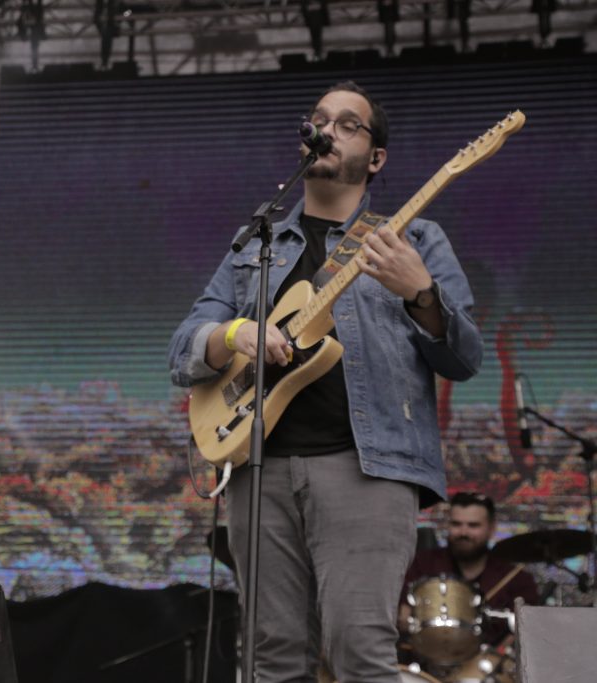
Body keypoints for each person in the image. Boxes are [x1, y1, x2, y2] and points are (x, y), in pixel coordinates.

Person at [168, 81, 483, 682]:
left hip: (367, 468)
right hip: (259, 466)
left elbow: (465, 359)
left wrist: (419, 292)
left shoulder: (413, 239)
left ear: (376, 157)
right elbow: (183, 345)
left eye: (347, 124)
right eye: (320, 120)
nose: (328, 131)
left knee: (360, 654)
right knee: (269, 659)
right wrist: (235, 334)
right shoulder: (254, 246)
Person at [400, 492, 539, 652]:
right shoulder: (420, 564)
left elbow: (528, 631)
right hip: (426, 659)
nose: (463, 532)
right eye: (456, 524)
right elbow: (399, 612)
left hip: (489, 664)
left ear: (491, 529)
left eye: (473, 525)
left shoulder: (516, 579)